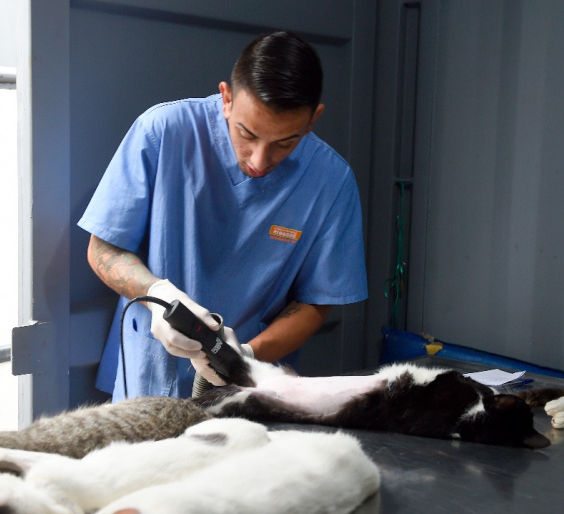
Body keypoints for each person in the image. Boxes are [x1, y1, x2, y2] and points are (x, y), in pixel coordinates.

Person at [78, 30, 368, 401]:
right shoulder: (162, 132)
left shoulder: (331, 180)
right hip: (149, 377)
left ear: (313, 120)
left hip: (249, 388)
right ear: (226, 99)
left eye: (285, 142)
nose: (259, 161)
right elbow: (103, 250)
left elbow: (315, 302)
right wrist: (156, 295)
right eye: (246, 134)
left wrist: (243, 358)